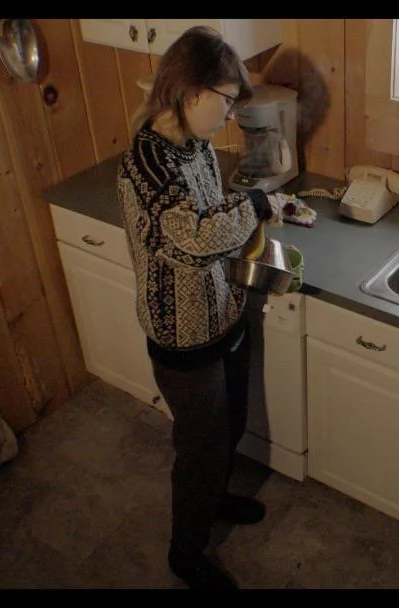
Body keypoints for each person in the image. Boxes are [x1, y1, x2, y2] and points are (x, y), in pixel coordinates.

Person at [116, 25, 278, 590]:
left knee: (228, 427)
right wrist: (255, 207)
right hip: (182, 339)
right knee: (199, 450)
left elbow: (213, 211)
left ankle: (215, 500)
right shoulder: (148, 164)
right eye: (228, 101)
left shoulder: (197, 147)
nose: (230, 114)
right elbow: (192, 238)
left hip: (222, 316)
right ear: (193, 92)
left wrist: (244, 204)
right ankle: (185, 553)